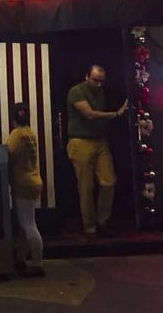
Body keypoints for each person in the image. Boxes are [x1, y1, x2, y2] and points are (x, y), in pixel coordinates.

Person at [66, 65, 127, 238]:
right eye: (95, 80)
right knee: (86, 186)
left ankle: (103, 221)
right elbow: (89, 114)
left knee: (108, 181)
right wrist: (115, 114)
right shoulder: (76, 91)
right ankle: (89, 226)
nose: (99, 85)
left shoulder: (100, 91)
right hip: (80, 141)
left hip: (100, 140)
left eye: (101, 81)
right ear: (86, 77)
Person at [5, 102, 45, 277]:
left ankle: (37, 263)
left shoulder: (16, 135)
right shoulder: (30, 133)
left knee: (28, 225)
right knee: (26, 223)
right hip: (34, 179)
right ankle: (21, 258)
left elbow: (8, 155)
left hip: (22, 183)